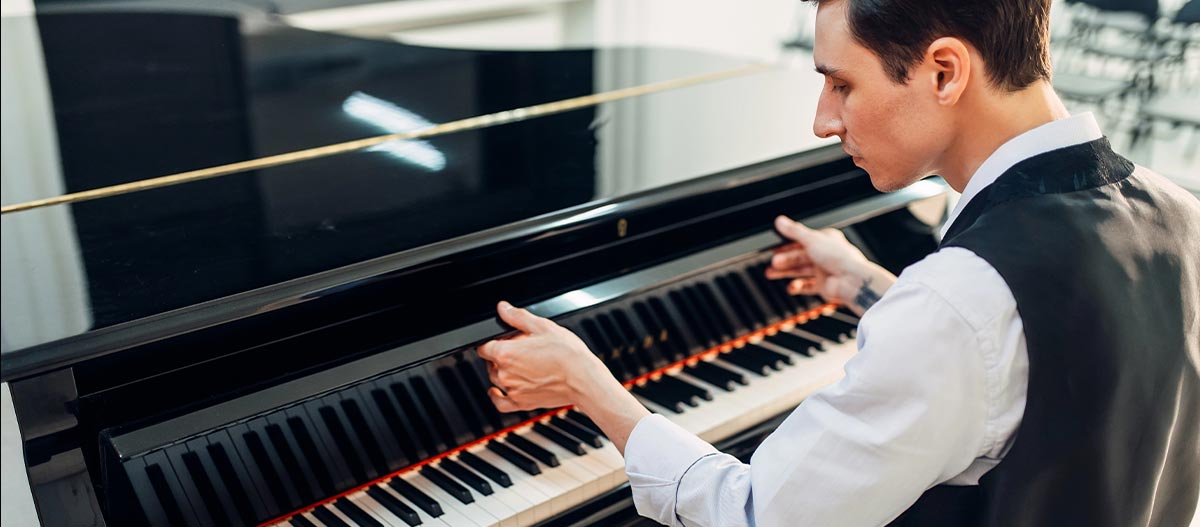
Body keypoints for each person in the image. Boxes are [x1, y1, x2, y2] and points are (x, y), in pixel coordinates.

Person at [475, 0, 1200, 525]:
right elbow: (1039, 361)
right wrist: (866, 285)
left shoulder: (958, 302)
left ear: (945, 70)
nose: (822, 120)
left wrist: (592, 387)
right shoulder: (1179, 211)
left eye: (842, 83)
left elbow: (754, 513)